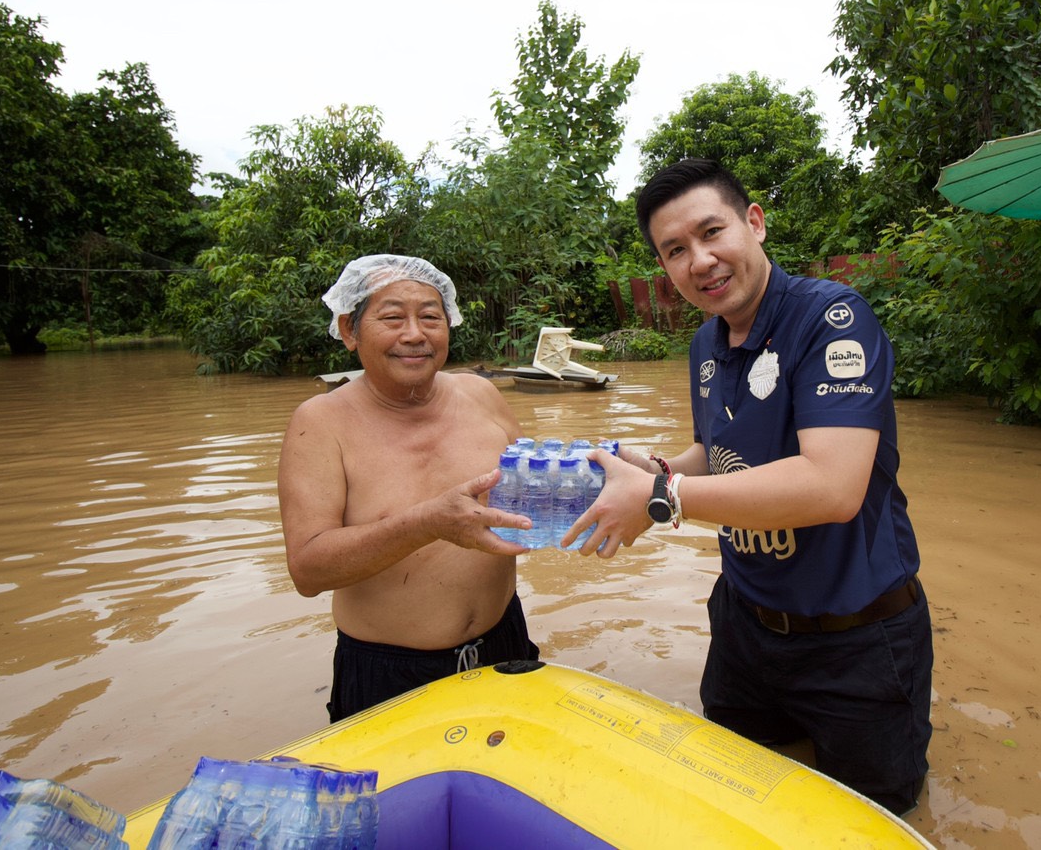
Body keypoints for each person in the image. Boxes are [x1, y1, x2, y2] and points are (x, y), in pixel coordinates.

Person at [569, 159, 933, 813]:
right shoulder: (706, 344)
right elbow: (719, 452)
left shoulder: (831, 319)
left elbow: (832, 486)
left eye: (712, 233)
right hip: (745, 628)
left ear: (754, 224)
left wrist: (659, 500)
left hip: (858, 641)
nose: (699, 260)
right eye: (674, 250)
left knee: (873, 818)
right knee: (734, 800)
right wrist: (649, 469)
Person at [278, 254, 539, 722]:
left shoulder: (482, 396)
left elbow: (532, 491)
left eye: (430, 317)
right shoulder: (320, 423)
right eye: (392, 317)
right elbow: (307, 570)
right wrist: (427, 522)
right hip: (389, 672)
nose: (415, 334)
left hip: (505, 643)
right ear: (349, 330)